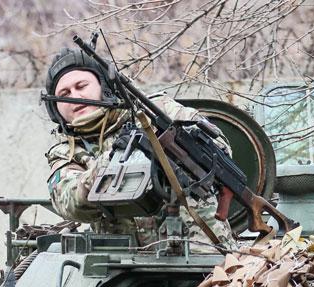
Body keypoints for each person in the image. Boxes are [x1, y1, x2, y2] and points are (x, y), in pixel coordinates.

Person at [43, 47, 234, 249]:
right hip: (126, 268)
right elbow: (70, 203)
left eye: (81, 86)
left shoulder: (156, 111)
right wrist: (110, 162)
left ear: (103, 85)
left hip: (202, 252)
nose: (75, 96)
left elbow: (220, 148)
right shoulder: (66, 152)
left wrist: (165, 151)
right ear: (55, 108)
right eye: (64, 93)